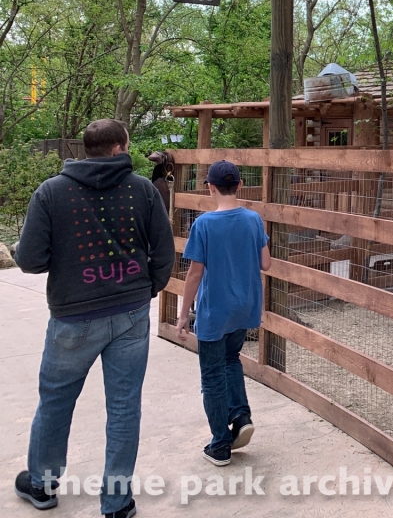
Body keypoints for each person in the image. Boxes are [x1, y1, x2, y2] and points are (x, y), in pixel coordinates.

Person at [14, 119, 175, 518]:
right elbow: (165, 251)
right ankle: (117, 502)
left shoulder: (51, 192)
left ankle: (42, 485)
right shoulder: (142, 190)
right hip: (131, 313)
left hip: (74, 316)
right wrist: (146, 289)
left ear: (83, 149)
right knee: (124, 407)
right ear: (121, 146)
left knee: (55, 401)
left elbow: (30, 260)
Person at [175, 160, 271, 466]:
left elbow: (194, 274)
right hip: (245, 308)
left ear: (210, 187)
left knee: (212, 376)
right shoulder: (254, 219)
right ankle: (241, 416)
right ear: (241, 185)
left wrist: (182, 314)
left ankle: (220, 444)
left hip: (214, 311)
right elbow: (265, 263)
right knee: (231, 360)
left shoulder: (203, 224)